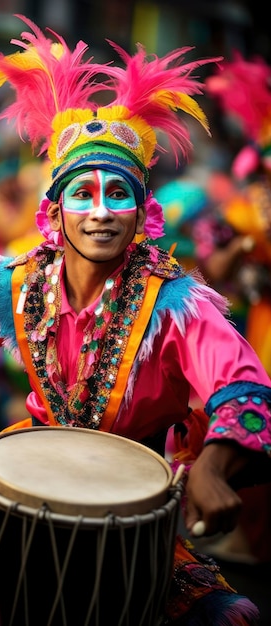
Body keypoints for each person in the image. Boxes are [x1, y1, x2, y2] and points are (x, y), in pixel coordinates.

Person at [0, 16, 271, 625]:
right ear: (55, 210)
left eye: (119, 194)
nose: (102, 212)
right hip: (22, 484)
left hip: (135, 511)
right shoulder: (17, 283)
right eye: (83, 194)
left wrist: (214, 464)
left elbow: (241, 385)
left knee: (234, 618)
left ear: (144, 211)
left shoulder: (178, 304)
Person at [190, 52, 271, 565]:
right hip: (259, 331)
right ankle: (253, 535)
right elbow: (213, 266)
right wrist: (248, 246)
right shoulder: (240, 210)